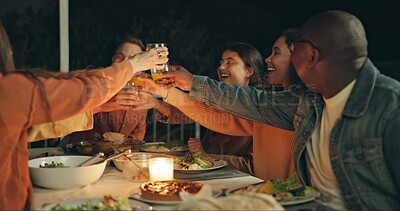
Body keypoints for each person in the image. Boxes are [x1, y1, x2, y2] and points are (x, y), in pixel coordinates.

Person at [157, 10, 400, 210]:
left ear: (311, 55)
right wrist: (188, 84)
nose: (267, 59)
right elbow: (248, 101)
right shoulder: (307, 101)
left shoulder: (391, 107)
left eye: (291, 50)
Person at [0, 19, 168, 210]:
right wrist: (136, 63)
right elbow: (86, 91)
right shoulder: (9, 88)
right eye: (121, 58)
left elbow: (37, 128)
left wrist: (100, 106)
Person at [140, 30, 302, 180]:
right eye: (222, 62)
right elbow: (213, 115)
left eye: (277, 52)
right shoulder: (262, 108)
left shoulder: (290, 105)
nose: (268, 59)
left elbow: (246, 105)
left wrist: (191, 82)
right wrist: (164, 93)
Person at [135, 42, 266, 174]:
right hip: (209, 176)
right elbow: (189, 112)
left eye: (229, 63)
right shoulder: (217, 100)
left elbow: (253, 167)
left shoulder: (260, 110)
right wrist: (156, 102)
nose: (221, 67)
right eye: (221, 62)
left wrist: (205, 156)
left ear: (249, 71)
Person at [68, 36, 149, 143]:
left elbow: (138, 134)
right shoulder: (94, 81)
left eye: (132, 59)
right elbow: (70, 115)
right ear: (113, 59)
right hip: (82, 154)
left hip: (119, 157)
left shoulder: (142, 93)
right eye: (120, 57)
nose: (125, 63)